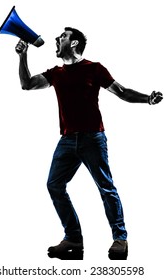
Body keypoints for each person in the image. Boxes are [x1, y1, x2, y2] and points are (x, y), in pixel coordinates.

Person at [15, 27, 163, 260]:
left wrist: (148, 99)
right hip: (66, 140)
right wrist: (22, 56)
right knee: (54, 185)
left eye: (62, 36)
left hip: (93, 139)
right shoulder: (56, 73)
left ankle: (120, 239)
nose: (57, 38)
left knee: (106, 187)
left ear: (73, 43)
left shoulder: (94, 69)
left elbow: (122, 92)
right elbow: (27, 84)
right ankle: (73, 238)